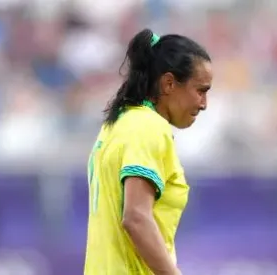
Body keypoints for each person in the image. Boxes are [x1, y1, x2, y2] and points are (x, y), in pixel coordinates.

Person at [84, 28, 212, 275]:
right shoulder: (149, 128)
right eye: (201, 90)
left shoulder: (118, 125)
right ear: (169, 84)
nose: (204, 104)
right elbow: (136, 218)